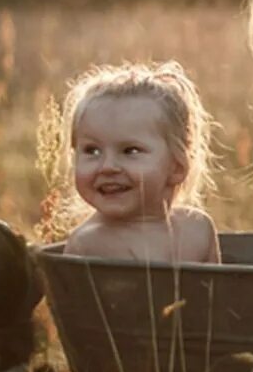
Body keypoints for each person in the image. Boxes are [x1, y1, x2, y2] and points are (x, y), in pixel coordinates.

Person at [62, 61, 220, 264]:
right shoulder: (87, 244)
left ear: (177, 167)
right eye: (92, 151)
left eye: (130, 151)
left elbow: (216, 295)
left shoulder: (197, 230)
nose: (108, 166)